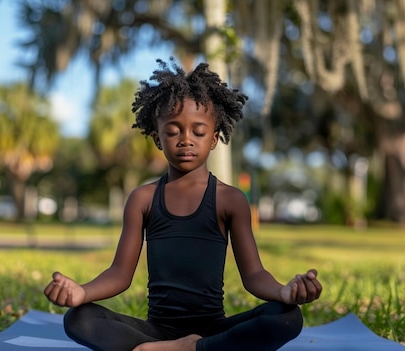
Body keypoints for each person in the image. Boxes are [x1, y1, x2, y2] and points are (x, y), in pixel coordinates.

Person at [44, 58, 322, 351]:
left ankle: (191, 348)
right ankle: (187, 348)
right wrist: (81, 292)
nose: (186, 140)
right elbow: (120, 274)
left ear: (214, 139)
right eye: (174, 131)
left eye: (198, 132)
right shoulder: (143, 199)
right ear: (157, 139)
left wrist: (284, 291)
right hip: (156, 331)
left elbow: (253, 275)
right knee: (79, 319)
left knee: (286, 317)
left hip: (214, 327)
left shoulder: (230, 200)